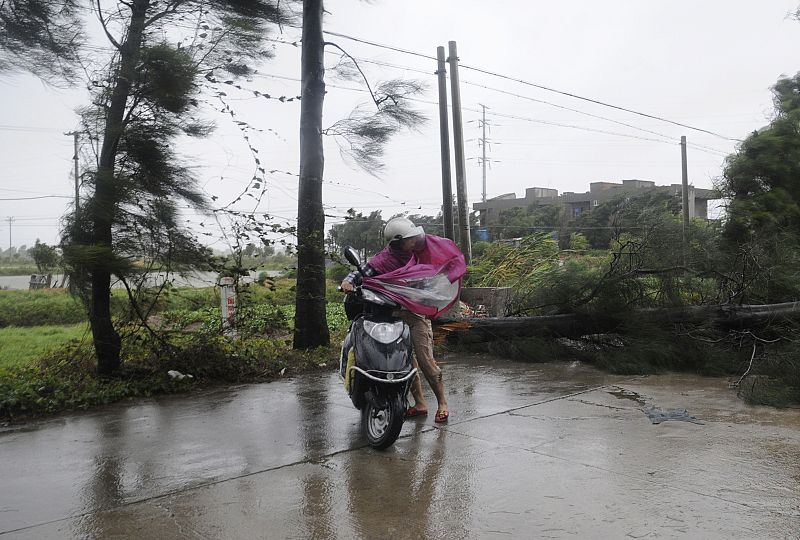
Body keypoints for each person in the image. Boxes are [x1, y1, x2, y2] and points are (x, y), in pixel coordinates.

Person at [341, 217, 465, 424]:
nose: (415, 241)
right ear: (396, 242)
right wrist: (348, 281)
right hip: (393, 318)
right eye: (410, 239)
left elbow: (443, 264)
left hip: (416, 316)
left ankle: (442, 403)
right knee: (405, 364)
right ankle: (420, 404)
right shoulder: (384, 260)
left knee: (426, 361)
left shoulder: (421, 253)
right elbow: (361, 274)